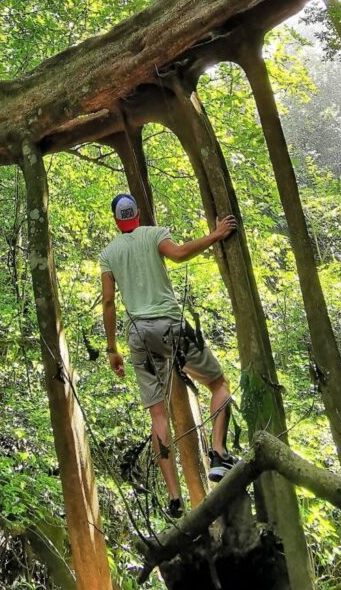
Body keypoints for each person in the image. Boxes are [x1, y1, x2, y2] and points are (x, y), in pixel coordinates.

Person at [99, 192, 239, 519]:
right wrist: (216, 234)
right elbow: (177, 254)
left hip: (138, 336)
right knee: (218, 383)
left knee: (158, 416)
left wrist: (111, 349)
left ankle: (174, 497)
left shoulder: (109, 254)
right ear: (136, 215)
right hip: (172, 327)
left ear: (117, 220)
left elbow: (108, 303)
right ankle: (218, 454)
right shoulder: (154, 234)